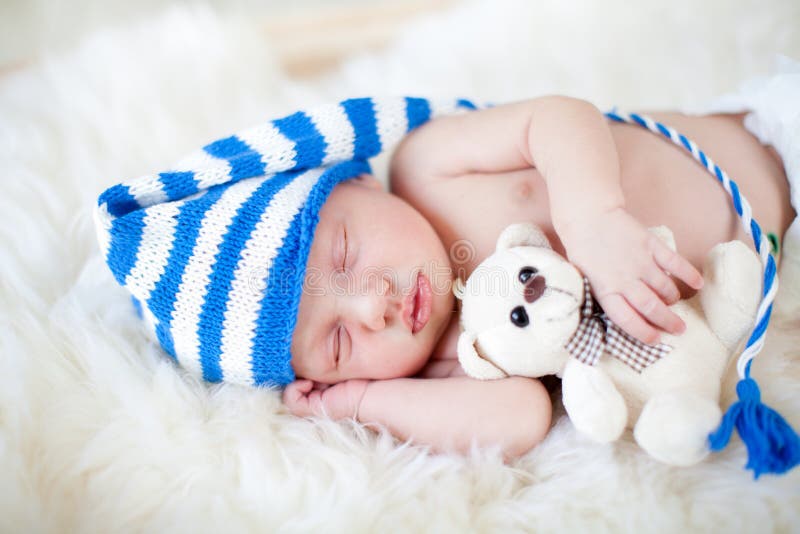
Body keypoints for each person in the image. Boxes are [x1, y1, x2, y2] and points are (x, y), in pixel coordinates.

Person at [282, 94, 796, 459]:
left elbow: (557, 117)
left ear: (360, 183)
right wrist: (361, 402)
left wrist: (591, 218)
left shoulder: (426, 166)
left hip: (770, 134)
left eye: (344, 255)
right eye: (339, 342)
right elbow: (519, 418)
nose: (371, 308)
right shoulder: (453, 359)